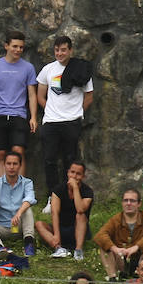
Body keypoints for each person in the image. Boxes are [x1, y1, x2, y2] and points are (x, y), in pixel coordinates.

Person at [36, 36, 95, 196]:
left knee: (70, 161)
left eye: (63, 50)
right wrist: (51, 109)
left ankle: (68, 195)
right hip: (51, 122)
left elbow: (89, 95)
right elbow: (40, 95)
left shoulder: (81, 69)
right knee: (50, 160)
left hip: (72, 122)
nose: (60, 53)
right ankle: (52, 196)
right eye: (57, 50)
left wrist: (77, 112)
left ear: (70, 50)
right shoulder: (47, 69)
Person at [94, 188, 143, 279]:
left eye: (132, 201)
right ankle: (113, 280)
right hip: (121, 258)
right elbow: (100, 235)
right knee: (104, 246)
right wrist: (115, 249)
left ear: (139, 204)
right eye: (126, 200)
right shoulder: (116, 219)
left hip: (142, 259)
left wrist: (137, 247)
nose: (128, 203)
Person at [40, 160, 94, 258]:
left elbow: (80, 209)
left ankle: (78, 250)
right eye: (72, 172)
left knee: (80, 215)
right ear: (68, 172)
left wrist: (75, 189)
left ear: (83, 176)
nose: (74, 176)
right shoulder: (58, 189)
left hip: (78, 230)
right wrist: (56, 235)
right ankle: (59, 249)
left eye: (78, 174)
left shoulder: (88, 191)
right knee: (39, 224)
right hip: (61, 229)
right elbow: (54, 213)